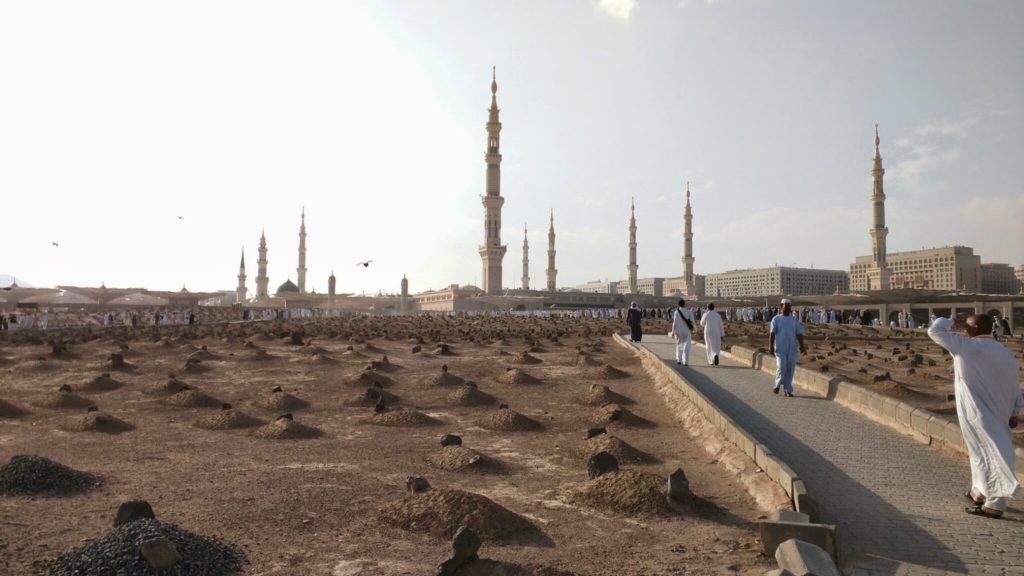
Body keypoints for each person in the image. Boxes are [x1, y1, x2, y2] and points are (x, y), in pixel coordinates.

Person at [928, 314, 1023, 519]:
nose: (964, 329)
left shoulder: (966, 347)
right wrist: (1015, 411)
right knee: (980, 452)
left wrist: (953, 319)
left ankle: (996, 504)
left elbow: (934, 330)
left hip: (978, 411)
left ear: (976, 327)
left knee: (991, 452)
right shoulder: (1004, 353)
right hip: (999, 410)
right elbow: (1015, 386)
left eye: (968, 326)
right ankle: (979, 492)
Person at [769, 298, 805, 397]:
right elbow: (772, 333)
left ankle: (787, 390)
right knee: (781, 366)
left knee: (790, 369)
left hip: (792, 349)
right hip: (780, 349)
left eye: (789, 306)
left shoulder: (793, 320)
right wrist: (771, 346)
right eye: (786, 306)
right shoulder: (776, 319)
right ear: (781, 307)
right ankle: (777, 385)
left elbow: (799, 333)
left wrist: (802, 346)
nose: (788, 308)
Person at [670, 299, 695, 365]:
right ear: (684, 304)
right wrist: (695, 329)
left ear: (678, 305)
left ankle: (679, 359)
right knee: (686, 346)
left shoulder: (676, 312)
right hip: (686, 331)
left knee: (679, 345)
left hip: (679, 331)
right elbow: (692, 321)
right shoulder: (688, 312)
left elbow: (674, 323)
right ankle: (685, 361)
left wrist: (673, 332)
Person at [700, 302, 724, 366]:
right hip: (717, 331)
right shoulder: (718, 315)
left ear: (708, 308)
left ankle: (711, 361)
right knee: (716, 345)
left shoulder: (705, 314)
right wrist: (722, 334)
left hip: (708, 331)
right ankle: (716, 354)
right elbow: (721, 325)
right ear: (714, 308)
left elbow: (702, 323)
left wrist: (706, 324)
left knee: (709, 345)